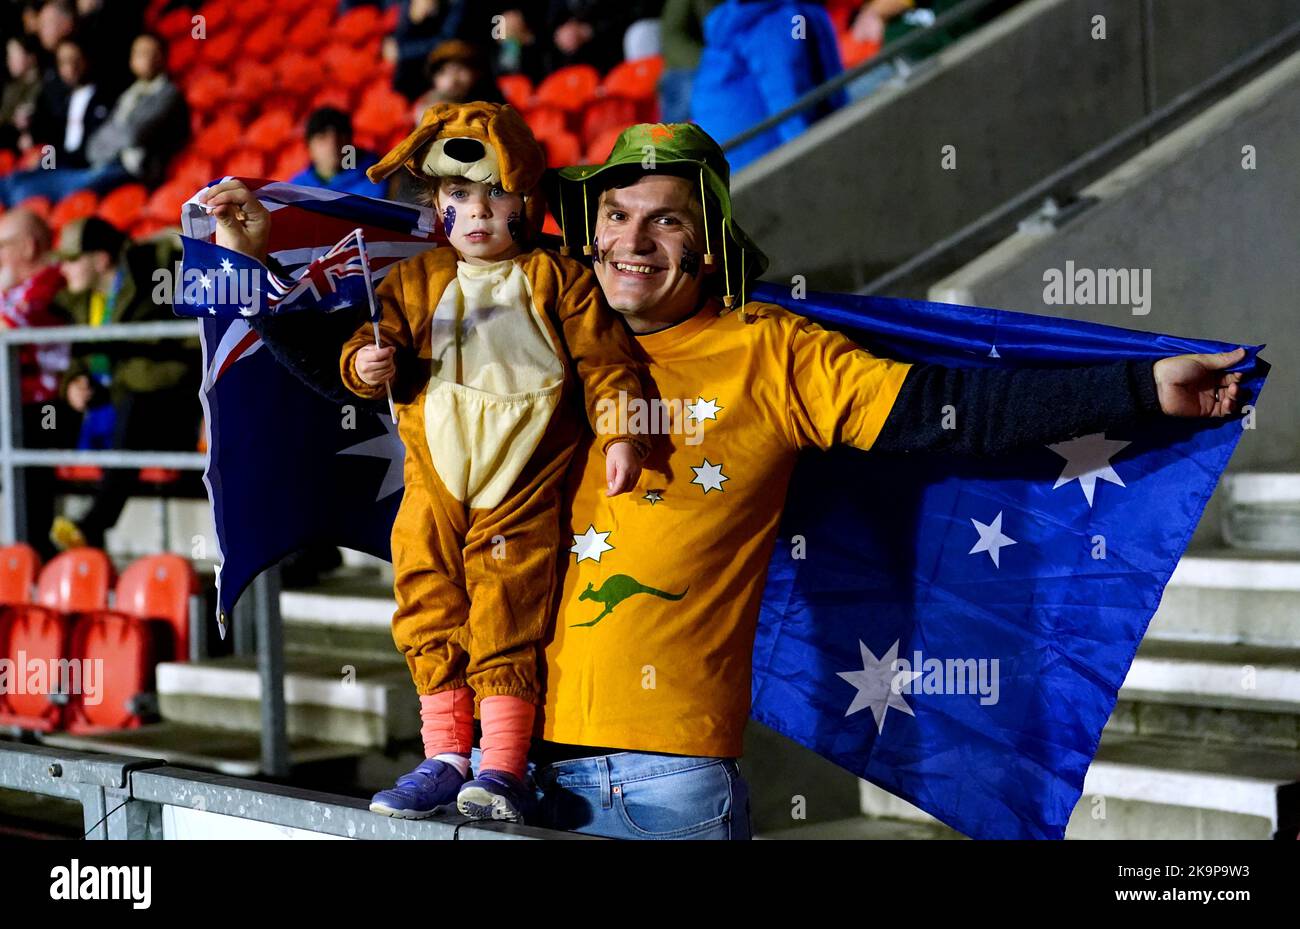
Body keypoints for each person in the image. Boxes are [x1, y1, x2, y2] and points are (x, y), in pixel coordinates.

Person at [200, 122, 1250, 840]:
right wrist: (254, 265)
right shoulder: (531, 329)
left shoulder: (771, 351)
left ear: (708, 240)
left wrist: (1138, 385)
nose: (631, 240)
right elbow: (361, 368)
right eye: (613, 216)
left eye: (665, 220)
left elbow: (948, 408)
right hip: (503, 772)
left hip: (658, 784)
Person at [202, 102, 649, 822]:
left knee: (510, 612)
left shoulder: (559, 278)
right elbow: (355, 349)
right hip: (434, 485)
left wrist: (624, 430)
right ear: (438, 205)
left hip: (522, 486)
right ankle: (445, 756)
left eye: (495, 194)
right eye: (458, 196)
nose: (476, 211)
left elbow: (609, 364)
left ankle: (501, 766)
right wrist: (365, 363)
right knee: (427, 607)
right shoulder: (414, 281)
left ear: (527, 200)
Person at [46, 217, 200, 551]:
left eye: (72, 260)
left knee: (135, 400)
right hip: (115, 404)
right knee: (40, 419)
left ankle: (92, 524)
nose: (64, 270)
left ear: (101, 260)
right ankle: (47, 545)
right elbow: (79, 356)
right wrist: (75, 383)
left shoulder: (148, 275)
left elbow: (185, 350)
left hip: (173, 408)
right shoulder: (82, 298)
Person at [0, 32, 188, 206]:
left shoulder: (167, 92)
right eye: (137, 52)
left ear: (162, 57)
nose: (143, 58)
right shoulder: (129, 93)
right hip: (103, 161)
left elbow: (132, 134)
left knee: (26, 191)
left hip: (130, 169)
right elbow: (98, 141)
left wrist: (111, 139)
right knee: (12, 181)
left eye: (149, 52)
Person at [0, 206, 73, 560]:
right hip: (17, 404)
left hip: (49, 409)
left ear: (28, 247)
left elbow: (7, 329)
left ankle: (34, 561)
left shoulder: (48, 280)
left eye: (3, 245)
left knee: (30, 493)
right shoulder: (13, 287)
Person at [288, 107, 387, 198]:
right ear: (309, 147)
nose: (332, 144)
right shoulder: (296, 189)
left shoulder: (379, 177)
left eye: (340, 136)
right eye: (322, 137)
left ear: (350, 141)